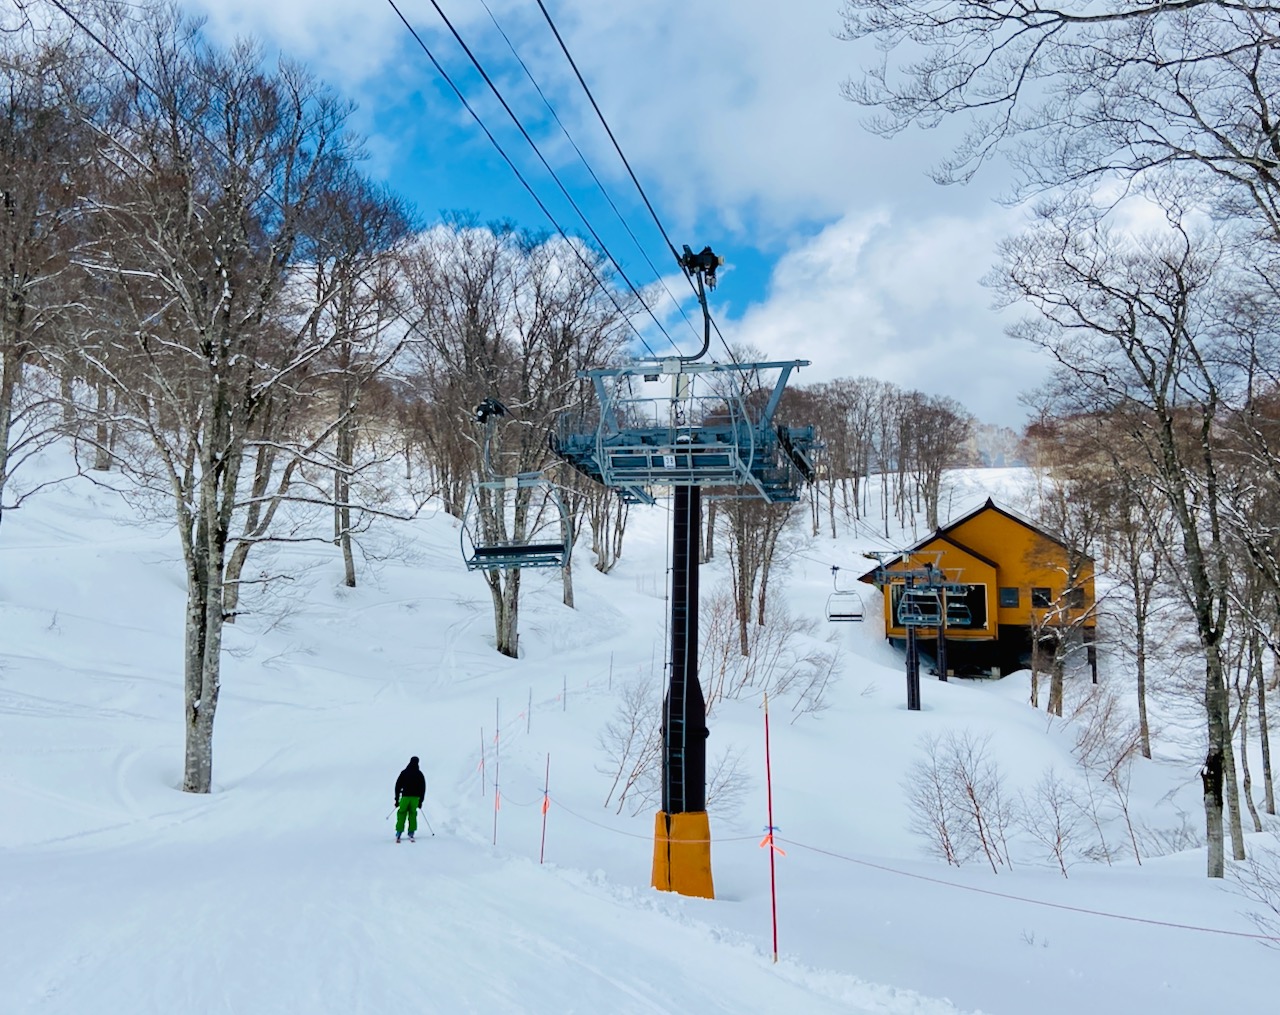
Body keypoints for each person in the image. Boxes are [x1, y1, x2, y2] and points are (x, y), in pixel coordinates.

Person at [394, 756, 426, 843]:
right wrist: (421, 801)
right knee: (412, 814)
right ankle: (411, 832)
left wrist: (397, 800)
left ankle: (399, 832)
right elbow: (423, 788)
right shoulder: (420, 774)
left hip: (405, 797)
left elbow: (397, 786)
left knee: (402, 813)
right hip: (415, 798)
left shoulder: (404, 772)